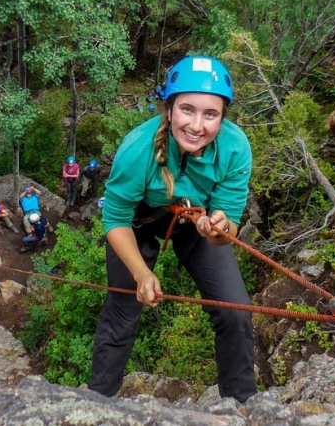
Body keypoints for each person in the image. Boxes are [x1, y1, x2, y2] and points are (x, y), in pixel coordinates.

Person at [89, 55, 256, 403]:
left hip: (196, 223)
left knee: (235, 310)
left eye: (210, 114)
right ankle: (98, 403)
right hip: (138, 223)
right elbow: (116, 218)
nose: (197, 125)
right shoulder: (139, 148)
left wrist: (219, 228)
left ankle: (242, 407)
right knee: (122, 311)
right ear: (169, 109)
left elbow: (231, 220)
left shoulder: (235, 148)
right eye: (187, 110)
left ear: (222, 117)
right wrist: (140, 274)